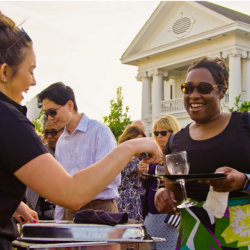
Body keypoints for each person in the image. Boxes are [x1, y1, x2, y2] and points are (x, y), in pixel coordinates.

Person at [0, 11, 163, 249]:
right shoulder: (9, 120)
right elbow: (71, 192)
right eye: (31, 70)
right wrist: (132, 146)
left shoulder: (98, 130)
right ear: (4, 72)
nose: (33, 82)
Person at [155, 57, 250, 249]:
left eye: (204, 88)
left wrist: (243, 181)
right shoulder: (175, 141)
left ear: (222, 91)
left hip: (243, 235)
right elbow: (175, 193)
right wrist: (162, 195)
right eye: (187, 88)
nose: (194, 95)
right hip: (194, 237)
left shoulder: (245, 125)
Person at [37, 82, 121, 221]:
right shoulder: (62, 142)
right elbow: (62, 188)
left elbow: (111, 177)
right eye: (46, 113)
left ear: (70, 105)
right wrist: (58, 222)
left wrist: (78, 189)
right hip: (69, 212)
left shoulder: (99, 131)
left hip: (100, 209)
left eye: (53, 112)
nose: (50, 117)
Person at [142, 115, 181, 250]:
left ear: (173, 132)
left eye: (163, 133)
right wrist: (144, 174)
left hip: (169, 216)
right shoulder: (154, 155)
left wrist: (173, 181)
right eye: (156, 133)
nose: (159, 136)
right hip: (151, 214)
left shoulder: (178, 155)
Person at [25, 118, 64, 220]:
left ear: (64, 132)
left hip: (63, 211)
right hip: (38, 210)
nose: (49, 136)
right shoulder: (38, 152)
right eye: (46, 132)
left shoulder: (73, 153)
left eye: (54, 132)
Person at [116, 124, 148, 222]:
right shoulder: (121, 154)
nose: (140, 144)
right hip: (124, 199)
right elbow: (128, 169)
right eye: (137, 141)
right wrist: (137, 169)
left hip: (134, 198)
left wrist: (143, 172)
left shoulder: (138, 156)